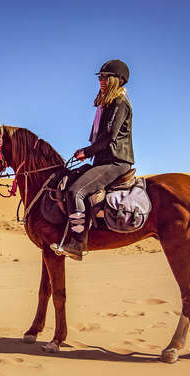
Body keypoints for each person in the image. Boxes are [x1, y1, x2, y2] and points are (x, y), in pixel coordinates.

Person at [51, 59, 135, 260]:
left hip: (116, 161)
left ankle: (77, 243)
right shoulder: (107, 105)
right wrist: (88, 152)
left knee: (76, 192)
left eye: (106, 77)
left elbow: (108, 137)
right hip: (103, 160)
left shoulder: (119, 103)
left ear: (118, 80)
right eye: (100, 77)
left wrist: (87, 152)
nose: (102, 81)